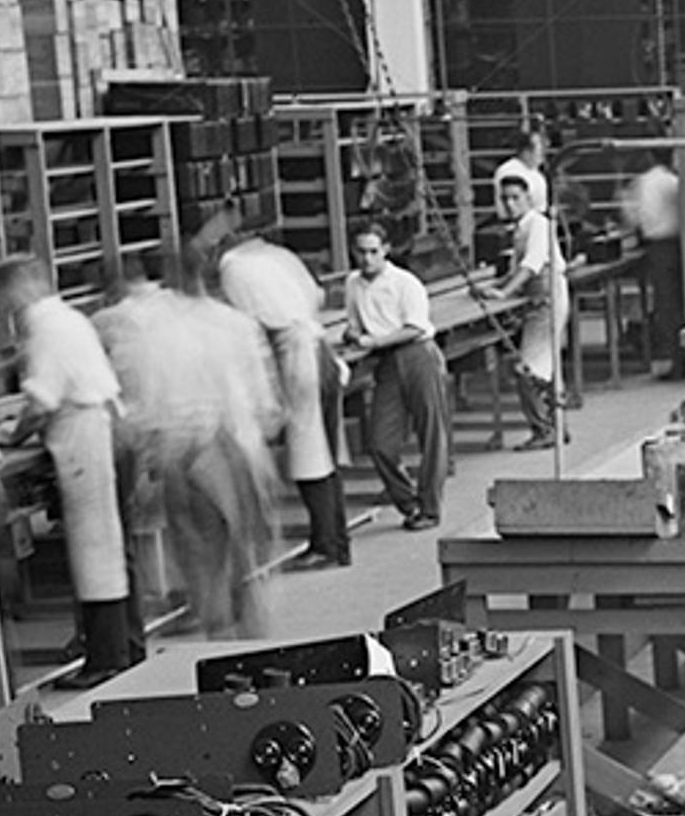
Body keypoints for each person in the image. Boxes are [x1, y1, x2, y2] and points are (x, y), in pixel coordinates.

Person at [103, 269, 280, 641]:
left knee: (202, 558)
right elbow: (266, 406)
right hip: (233, 448)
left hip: (185, 452)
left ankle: (221, 638)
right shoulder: (236, 324)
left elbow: (145, 402)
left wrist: (148, 448)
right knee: (244, 554)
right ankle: (254, 639)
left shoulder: (156, 332)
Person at [0, 257, 139, 680]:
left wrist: (9, 437)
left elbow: (41, 403)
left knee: (96, 554)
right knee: (114, 550)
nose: (0, 307)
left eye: (0, 296)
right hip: (105, 428)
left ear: (16, 289)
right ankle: (127, 647)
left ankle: (106, 660)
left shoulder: (45, 328)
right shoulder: (68, 317)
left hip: (86, 437)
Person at [214, 221, 351, 569]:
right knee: (325, 454)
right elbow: (316, 296)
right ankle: (336, 541)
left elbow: (249, 332)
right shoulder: (275, 256)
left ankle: (326, 545)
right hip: (320, 350)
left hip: (299, 357)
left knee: (310, 457)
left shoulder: (232, 268)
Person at [338, 222, 448, 531]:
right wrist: (354, 333)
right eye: (361, 252)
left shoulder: (405, 283)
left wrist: (374, 340)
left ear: (385, 250)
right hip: (386, 364)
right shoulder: (353, 284)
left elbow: (414, 326)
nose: (367, 259)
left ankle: (429, 508)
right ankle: (408, 502)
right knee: (380, 442)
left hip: (418, 355)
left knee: (432, 435)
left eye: (374, 251)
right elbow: (355, 323)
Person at [473, 161, 562, 444]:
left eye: (515, 198)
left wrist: (504, 293)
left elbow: (532, 265)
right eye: (505, 198)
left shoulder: (538, 223)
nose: (510, 204)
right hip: (538, 298)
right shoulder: (521, 228)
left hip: (547, 297)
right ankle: (556, 425)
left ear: (529, 199)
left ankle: (544, 429)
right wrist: (492, 287)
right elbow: (515, 270)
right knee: (543, 366)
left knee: (528, 368)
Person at [626, 148, 685, 378]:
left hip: (659, 246)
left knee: (666, 306)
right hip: (679, 243)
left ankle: (675, 362)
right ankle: (682, 360)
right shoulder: (674, 181)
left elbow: (636, 216)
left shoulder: (644, 183)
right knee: (678, 304)